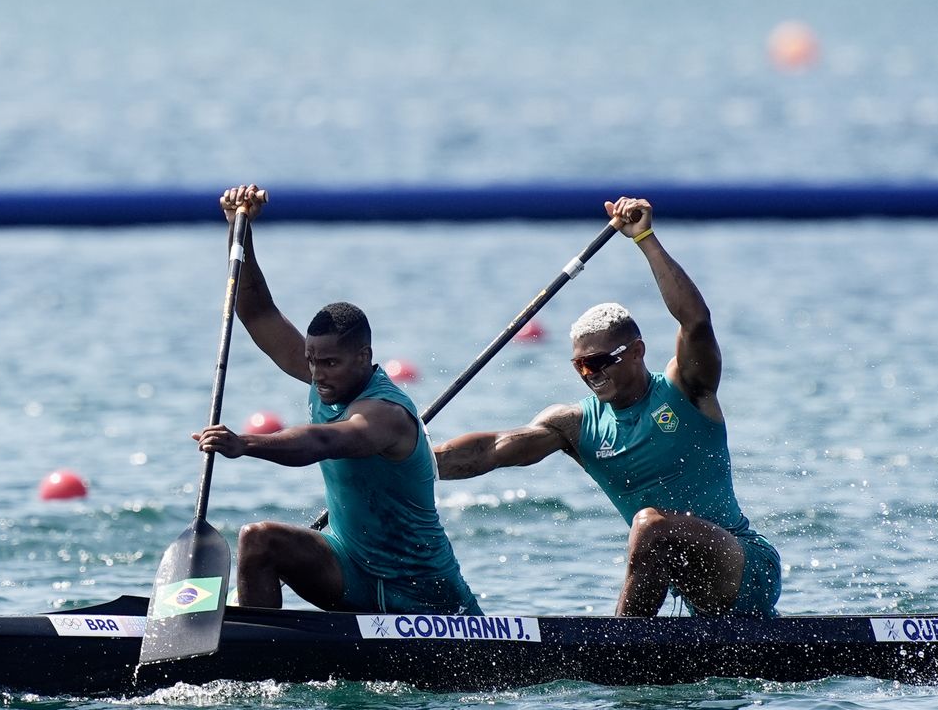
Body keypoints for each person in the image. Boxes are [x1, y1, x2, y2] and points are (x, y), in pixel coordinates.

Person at [433, 196, 780, 618]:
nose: (590, 374)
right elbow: (492, 449)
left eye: (599, 362)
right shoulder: (575, 425)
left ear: (637, 351)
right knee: (651, 529)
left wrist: (645, 238)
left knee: (650, 525)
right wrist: (409, 460)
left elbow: (695, 322)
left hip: (746, 566)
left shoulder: (687, 389)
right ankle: (631, 644)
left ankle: (619, 647)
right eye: (580, 365)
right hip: (689, 587)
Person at [193, 184, 481, 616]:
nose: (317, 374)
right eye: (312, 361)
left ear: (364, 356)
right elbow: (257, 312)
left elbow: (324, 441)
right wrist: (240, 229)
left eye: (329, 363)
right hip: (352, 572)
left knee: (263, 535)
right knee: (259, 539)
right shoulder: (322, 374)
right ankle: (260, 647)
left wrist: (245, 444)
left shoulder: (386, 414)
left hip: (424, 593)